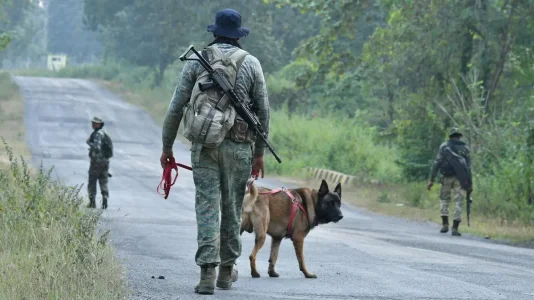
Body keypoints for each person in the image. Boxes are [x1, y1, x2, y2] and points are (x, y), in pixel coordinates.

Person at [160, 8, 270, 295]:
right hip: (239, 147)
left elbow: (175, 109)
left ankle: (206, 275)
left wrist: (167, 147)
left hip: (204, 146)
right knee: (233, 208)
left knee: (207, 206)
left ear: (215, 32)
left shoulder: (197, 61)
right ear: (238, 36)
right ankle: (226, 272)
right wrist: (259, 153)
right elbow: (263, 112)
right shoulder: (252, 64)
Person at [427, 127, 472, 236]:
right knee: (458, 202)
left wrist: (431, 179)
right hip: (460, 179)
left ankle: (445, 225)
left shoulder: (444, 147)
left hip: (445, 177)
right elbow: (468, 168)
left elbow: (437, 162)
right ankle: (455, 228)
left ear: (450, 136)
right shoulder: (466, 148)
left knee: (444, 200)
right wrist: (469, 183)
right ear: (459, 136)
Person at [87, 116, 112, 209]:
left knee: (92, 181)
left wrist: (89, 142)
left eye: (95, 123)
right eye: (93, 123)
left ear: (99, 124)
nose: (93, 124)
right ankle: (105, 196)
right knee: (103, 180)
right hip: (105, 162)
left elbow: (97, 147)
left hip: (96, 162)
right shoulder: (104, 133)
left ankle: (92, 202)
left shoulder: (98, 134)